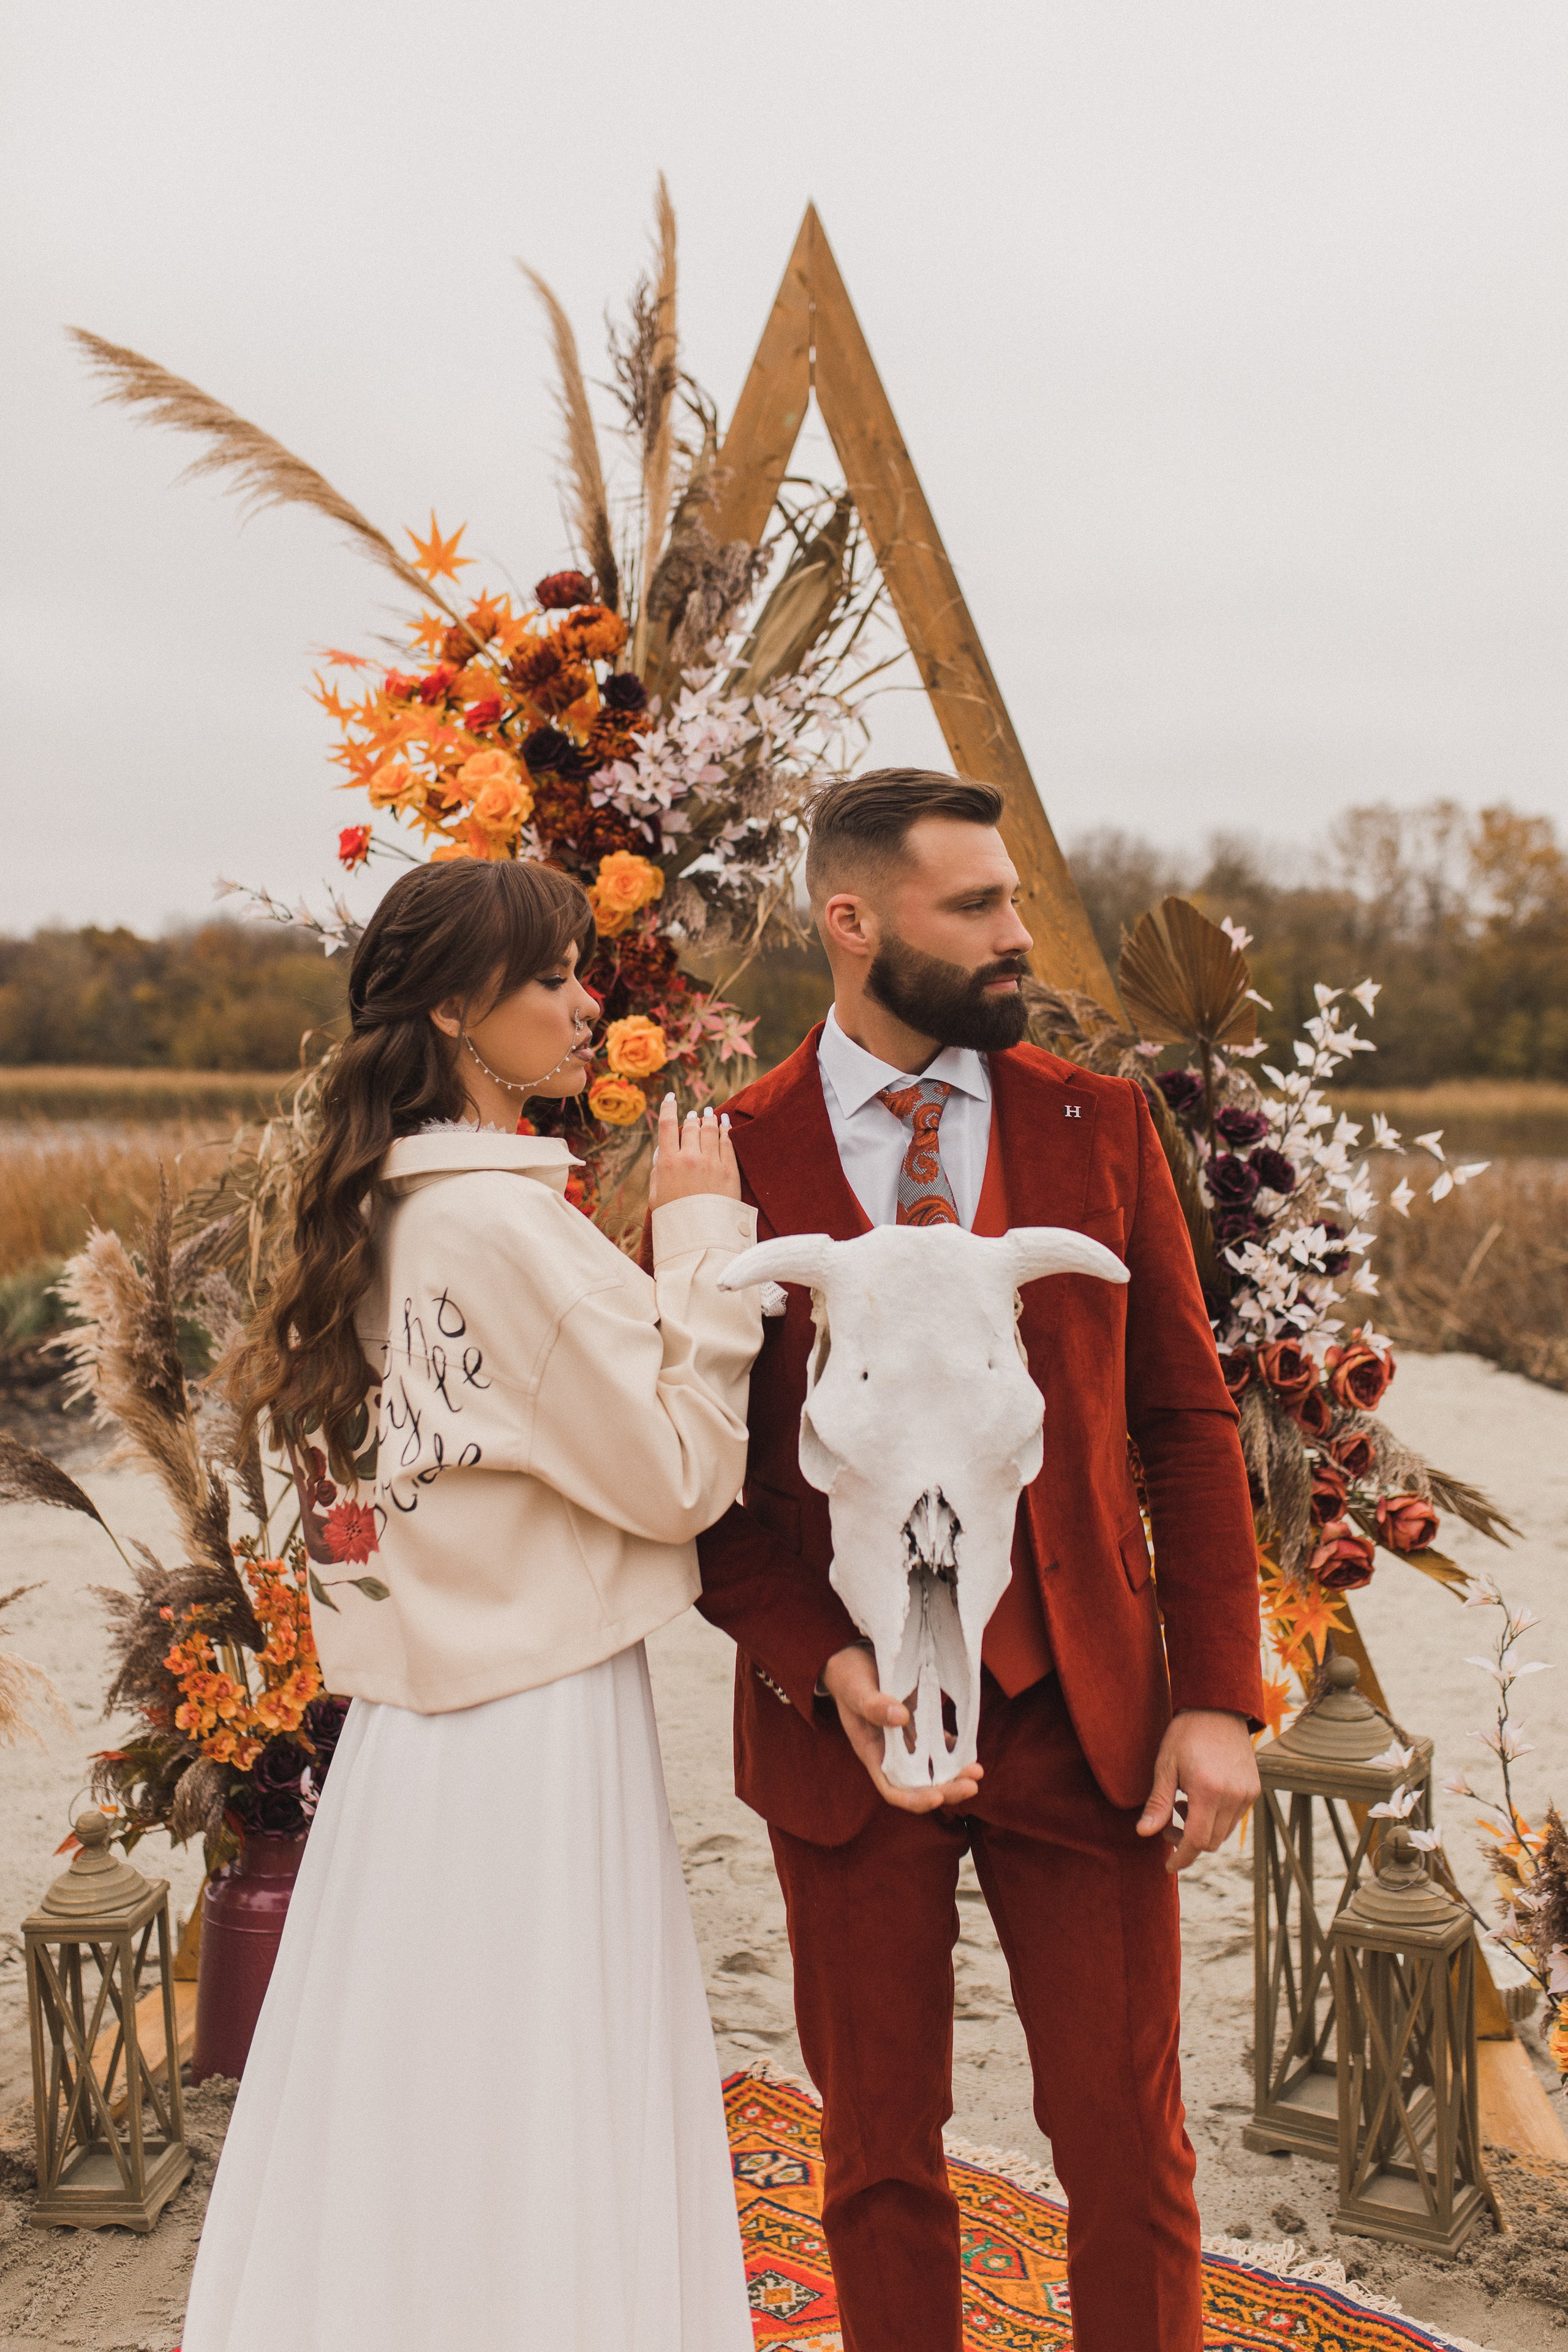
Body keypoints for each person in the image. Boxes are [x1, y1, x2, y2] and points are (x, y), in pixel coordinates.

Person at [687, 770, 1265, 2352]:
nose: (1019, 938)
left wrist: (1220, 1697)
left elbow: (1187, 1424)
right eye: (977, 910)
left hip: (1084, 1719)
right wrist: (831, 1666)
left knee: (1129, 2147)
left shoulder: (1102, 1123)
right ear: (853, 923)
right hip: (846, 1735)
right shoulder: (729, 1160)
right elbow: (701, 1492)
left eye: (1011, 901)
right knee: (876, 2158)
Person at [182, 857, 761, 2352]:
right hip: (532, 1709)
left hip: (410, 1727)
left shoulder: (372, 1212)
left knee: (417, 2061)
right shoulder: (497, 1231)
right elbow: (681, 1476)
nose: (588, 1006)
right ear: (454, 1006)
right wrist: (704, 1253)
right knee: (537, 2057)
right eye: (556, 977)